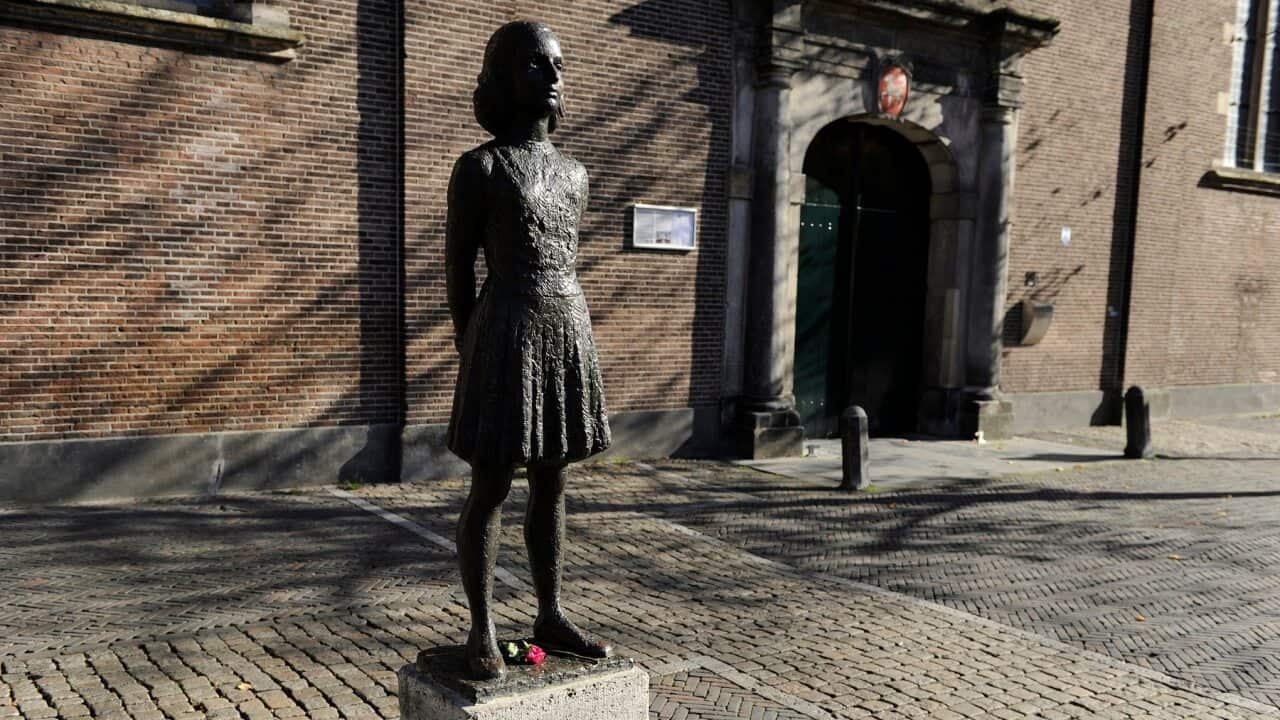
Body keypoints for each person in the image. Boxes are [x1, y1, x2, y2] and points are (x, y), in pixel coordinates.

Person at [445, 20, 613, 681]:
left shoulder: (575, 173)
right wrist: (472, 353)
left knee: (554, 479)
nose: (552, 76)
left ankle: (550, 611)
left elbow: (568, 258)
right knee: (491, 483)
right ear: (503, 78)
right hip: (504, 330)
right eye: (536, 65)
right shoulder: (480, 167)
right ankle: (481, 624)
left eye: (558, 65)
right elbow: (459, 274)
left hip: (566, 326)